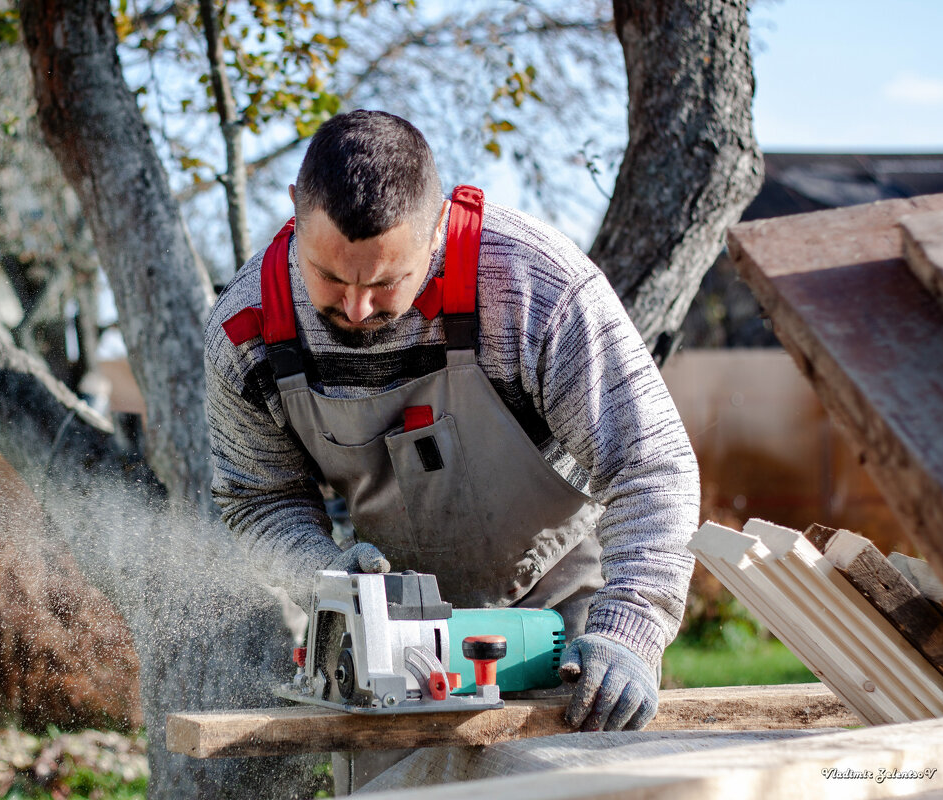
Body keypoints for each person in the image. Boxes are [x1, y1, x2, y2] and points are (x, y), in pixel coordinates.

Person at [203, 109, 698, 790]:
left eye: (384, 284)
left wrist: (630, 628)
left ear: (436, 230)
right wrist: (332, 581)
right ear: (295, 208)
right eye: (327, 278)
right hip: (390, 637)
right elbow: (260, 499)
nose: (354, 308)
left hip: (562, 608)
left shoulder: (535, 287)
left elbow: (651, 464)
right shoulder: (247, 331)